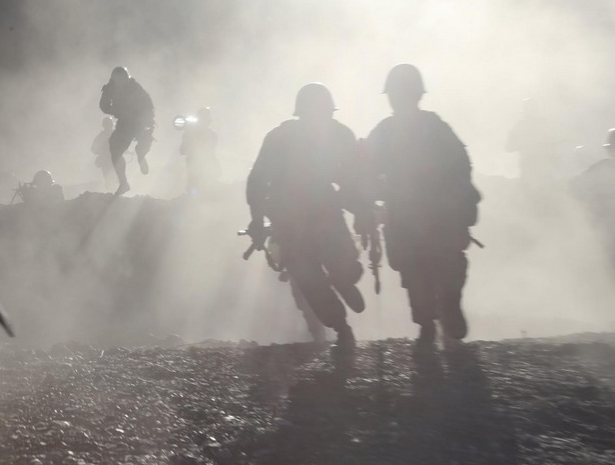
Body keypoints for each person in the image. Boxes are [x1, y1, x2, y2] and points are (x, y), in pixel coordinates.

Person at [246, 83, 372, 354]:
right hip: (295, 223)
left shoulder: (337, 136)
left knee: (343, 269)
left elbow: (352, 181)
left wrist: (363, 212)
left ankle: (343, 285)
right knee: (313, 284)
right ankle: (342, 328)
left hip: (318, 217)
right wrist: (257, 218)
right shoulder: (292, 137)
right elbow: (258, 180)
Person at [364, 64, 481, 350]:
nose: (398, 99)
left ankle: (444, 309)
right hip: (412, 216)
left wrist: (459, 200)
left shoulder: (427, 127)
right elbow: (365, 171)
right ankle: (428, 322)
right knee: (415, 271)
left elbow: (460, 166)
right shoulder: (391, 131)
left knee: (441, 266)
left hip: (435, 214)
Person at [98, 66, 155, 196]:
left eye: (122, 79)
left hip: (140, 122)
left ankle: (141, 155)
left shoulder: (135, 88)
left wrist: (148, 125)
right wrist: (114, 108)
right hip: (124, 124)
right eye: (117, 80)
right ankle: (123, 183)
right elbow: (104, 107)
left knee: (143, 145)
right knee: (115, 150)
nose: (120, 82)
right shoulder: (110, 88)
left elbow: (148, 107)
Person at [571, 128, 615, 272]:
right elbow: (576, 188)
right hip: (606, 226)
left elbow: (576, 188)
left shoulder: (599, 168)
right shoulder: (599, 169)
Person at [178, 106, 221, 194]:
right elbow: (182, 151)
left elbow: (209, 148)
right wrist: (189, 135)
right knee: (194, 191)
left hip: (207, 172)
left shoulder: (212, 135)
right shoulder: (190, 134)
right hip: (194, 174)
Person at [90, 116, 116, 190]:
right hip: (106, 161)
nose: (109, 127)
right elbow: (93, 149)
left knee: (116, 178)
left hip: (116, 160)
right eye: (107, 126)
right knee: (108, 179)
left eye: (109, 125)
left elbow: (121, 146)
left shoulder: (116, 135)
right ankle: (110, 194)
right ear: (104, 126)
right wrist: (103, 150)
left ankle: (115, 195)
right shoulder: (100, 137)